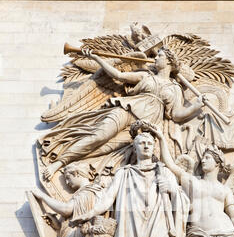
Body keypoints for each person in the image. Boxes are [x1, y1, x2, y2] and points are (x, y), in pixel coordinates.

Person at [40, 47, 205, 180]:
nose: (155, 59)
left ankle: (75, 165)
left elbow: (176, 115)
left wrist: (195, 106)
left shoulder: (175, 88)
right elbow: (118, 75)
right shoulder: (145, 76)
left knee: (106, 147)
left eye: (159, 56)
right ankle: (59, 163)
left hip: (143, 127)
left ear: (168, 61)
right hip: (128, 109)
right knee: (99, 136)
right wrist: (97, 58)